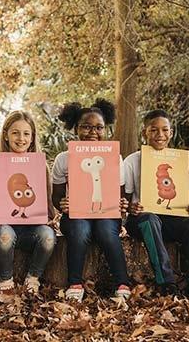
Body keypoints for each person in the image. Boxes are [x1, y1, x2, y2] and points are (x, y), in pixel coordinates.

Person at [123, 109, 189, 302]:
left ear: (171, 133)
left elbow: (187, 200)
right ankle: (167, 283)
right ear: (144, 133)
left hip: (171, 219)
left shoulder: (178, 161)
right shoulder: (132, 160)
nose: (160, 135)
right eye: (154, 130)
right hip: (142, 219)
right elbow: (125, 199)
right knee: (150, 218)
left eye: (165, 130)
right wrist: (131, 207)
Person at [52, 98, 131, 302]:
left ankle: (122, 282)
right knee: (80, 230)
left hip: (106, 214)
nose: (92, 132)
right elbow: (56, 195)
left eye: (99, 128)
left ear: (106, 130)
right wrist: (62, 204)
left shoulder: (116, 158)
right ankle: (75, 283)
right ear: (75, 129)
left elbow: (120, 195)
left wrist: (122, 205)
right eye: (86, 127)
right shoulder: (64, 158)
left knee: (106, 231)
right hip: (76, 213)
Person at [0, 111, 56, 301]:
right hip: (6, 228)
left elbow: (48, 205)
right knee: (5, 235)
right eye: (15, 133)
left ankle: (32, 279)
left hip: (33, 230)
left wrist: (49, 217)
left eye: (26, 134)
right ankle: (6, 282)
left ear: (32, 138)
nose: (21, 138)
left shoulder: (40, 167)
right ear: (6, 135)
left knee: (48, 236)